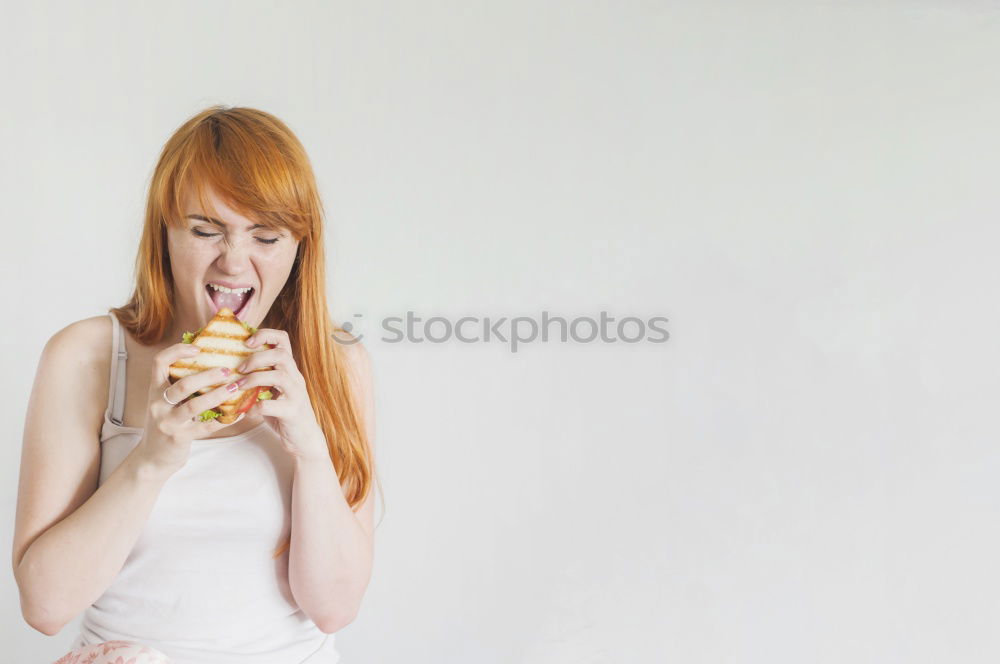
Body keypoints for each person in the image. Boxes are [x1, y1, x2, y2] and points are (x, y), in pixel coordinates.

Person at [14, 106, 382, 664]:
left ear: (299, 246)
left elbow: (333, 608)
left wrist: (308, 447)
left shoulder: (336, 364)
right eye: (206, 230)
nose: (233, 263)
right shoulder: (87, 357)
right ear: (164, 232)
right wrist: (151, 460)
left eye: (266, 235)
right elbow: (44, 607)